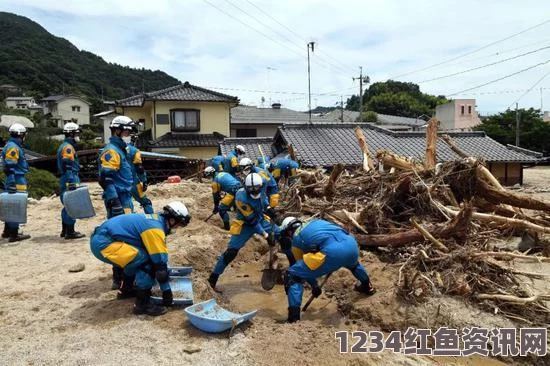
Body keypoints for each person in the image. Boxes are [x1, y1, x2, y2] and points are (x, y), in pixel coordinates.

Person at [89, 201, 191, 316]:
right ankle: (142, 305)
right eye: (179, 225)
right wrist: (167, 292)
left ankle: (126, 290)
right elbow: (159, 265)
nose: (177, 228)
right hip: (105, 244)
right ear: (172, 219)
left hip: (103, 239)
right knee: (147, 262)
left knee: (136, 257)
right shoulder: (155, 229)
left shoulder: (155, 220)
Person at [278, 217, 376, 323]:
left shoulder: (296, 240)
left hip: (332, 253)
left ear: (289, 231)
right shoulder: (316, 222)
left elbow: (303, 269)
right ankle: (367, 287)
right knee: (354, 265)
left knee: (292, 275)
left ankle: (293, 318)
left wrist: (314, 285)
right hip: (351, 245)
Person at [208, 173, 278, 292]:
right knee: (230, 253)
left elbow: (264, 200)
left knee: (283, 235)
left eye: (257, 189)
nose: (255, 192)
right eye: (251, 190)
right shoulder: (241, 197)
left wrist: (270, 210)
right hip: (245, 224)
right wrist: (266, 235)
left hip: (261, 218)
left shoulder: (262, 187)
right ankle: (212, 280)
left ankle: (291, 272)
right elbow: (252, 222)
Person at [98, 115, 136, 290]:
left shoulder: (121, 149)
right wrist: (114, 201)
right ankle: (119, 278)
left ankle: (124, 275)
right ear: (118, 130)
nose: (128, 134)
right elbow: (107, 177)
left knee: (127, 236)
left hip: (125, 198)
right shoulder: (112, 151)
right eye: (127, 130)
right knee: (120, 237)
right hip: (118, 199)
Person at [1, 123, 31, 242]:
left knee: (11, 204)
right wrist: (13, 182)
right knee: (16, 206)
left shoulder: (11, 145)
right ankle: (14, 233)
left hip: (13, 178)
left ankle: (7, 231)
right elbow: (10, 166)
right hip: (16, 179)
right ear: (21, 135)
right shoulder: (13, 147)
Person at [56, 122, 85, 240]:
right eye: (77, 133)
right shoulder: (68, 147)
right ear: (72, 134)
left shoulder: (64, 145)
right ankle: (70, 232)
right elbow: (67, 165)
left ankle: (65, 230)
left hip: (65, 179)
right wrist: (72, 181)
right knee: (71, 206)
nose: (78, 136)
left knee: (66, 206)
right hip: (70, 178)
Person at [203, 166, 242, 230]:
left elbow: (215, 196)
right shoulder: (223, 173)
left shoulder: (215, 182)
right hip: (240, 187)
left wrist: (216, 207)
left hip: (233, 192)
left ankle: (227, 228)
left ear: (210, 174)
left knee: (221, 209)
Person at [127, 129, 153, 214]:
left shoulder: (115, 149)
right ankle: (152, 221)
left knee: (126, 205)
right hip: (133, 181)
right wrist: (144, 181)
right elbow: (139, 168)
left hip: (119, 183)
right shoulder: (134, 151)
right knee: (146, 202)